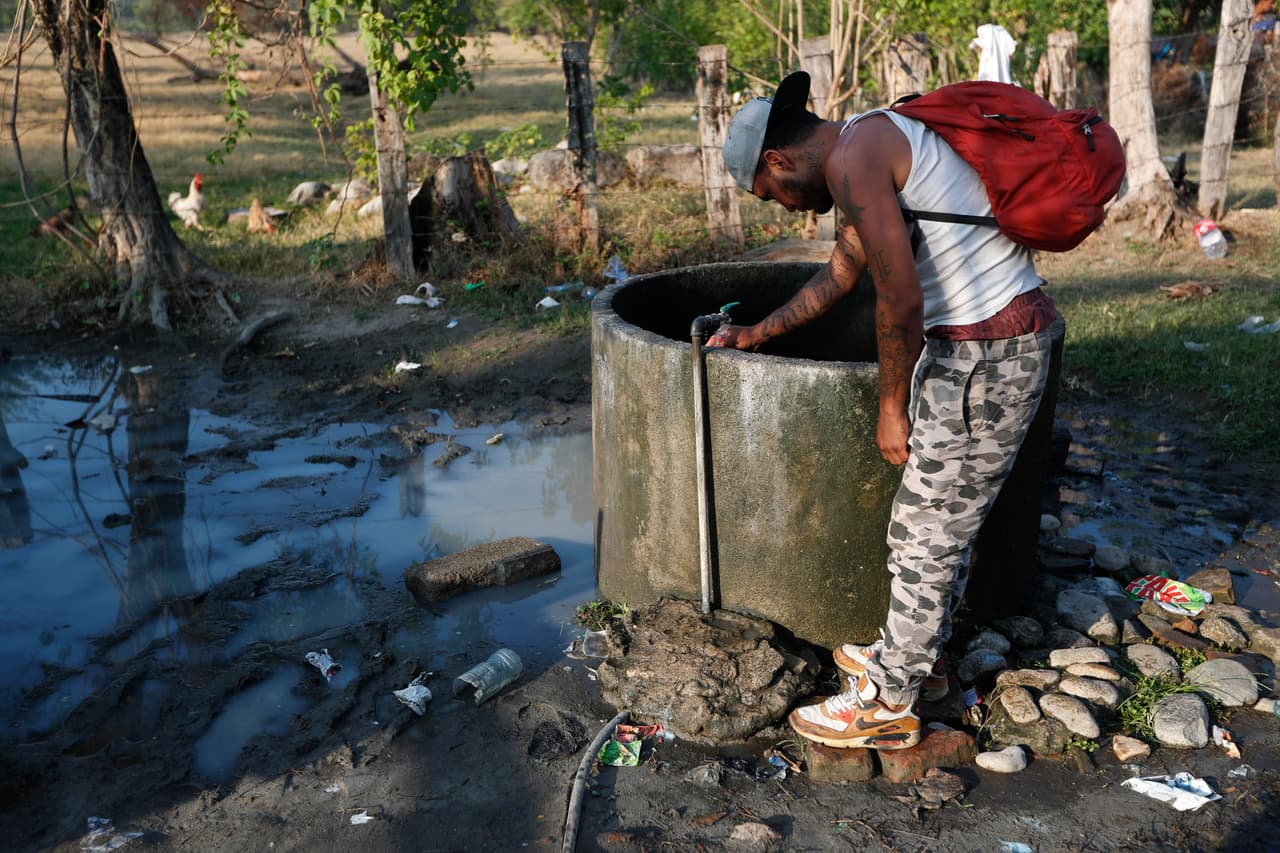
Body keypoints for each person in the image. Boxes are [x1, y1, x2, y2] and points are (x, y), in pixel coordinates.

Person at [711, 71, 1062, 751]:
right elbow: (843, 271)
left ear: (779, 160)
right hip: (989, 341)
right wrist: (758, 333)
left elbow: (898, 300)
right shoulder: (866, 139)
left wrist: (891, 406)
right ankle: (918, 663)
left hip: (986, 352)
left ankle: (887, 704)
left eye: (771, 194)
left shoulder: (853, 160)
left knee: (925, 531)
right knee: (938, 522)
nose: (784, 209)